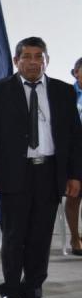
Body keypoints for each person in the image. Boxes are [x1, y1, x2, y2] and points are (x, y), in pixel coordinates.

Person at [0, 37, 82, 298]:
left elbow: (74, 138)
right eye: (27, 56)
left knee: (40, 237)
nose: (34, 62)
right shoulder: (0, 89)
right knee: (14, 236)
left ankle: (33, 292)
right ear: (16, 61)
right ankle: (10, 293)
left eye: (39, 56)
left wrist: (75, 175)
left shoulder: (63, 92)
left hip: (49, 173)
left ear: (47, 60)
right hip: (13, 174)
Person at [63, 56, 82, 256]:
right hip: (73, 153)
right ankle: (75, 238)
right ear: (75, 72)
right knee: (74, 196)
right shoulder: (67, 94)